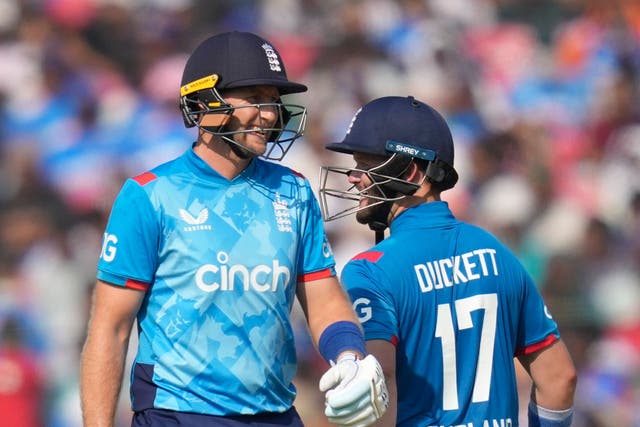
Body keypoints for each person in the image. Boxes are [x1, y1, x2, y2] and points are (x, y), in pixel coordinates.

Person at [80, 31, 388, 427]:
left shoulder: (293, 190)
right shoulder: (149, 196)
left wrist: (349, 354)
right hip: (177, 414)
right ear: (204, 99)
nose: (271, 114)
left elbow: (323, 295)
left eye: (273, 100)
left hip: (275, 413)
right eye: (254, 97)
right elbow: (111, 327)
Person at [318, 96, 577, 427]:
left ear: (411, 172)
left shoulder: (369, 270)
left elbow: (372, 390)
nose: (354, 178)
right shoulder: (495, 251)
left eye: (367, 165)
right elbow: (560, 380)